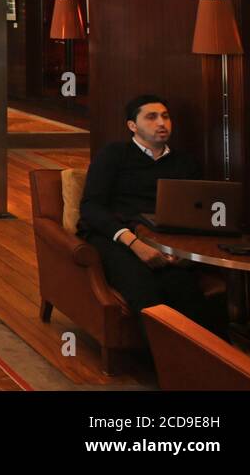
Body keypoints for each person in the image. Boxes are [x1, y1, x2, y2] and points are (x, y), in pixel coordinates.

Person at [77, 94, 223, 333]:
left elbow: (198, 214)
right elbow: (91, 207)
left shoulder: (185, 163)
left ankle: (213, 365)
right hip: (116, 237)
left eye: (165, 117)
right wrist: (134, 243)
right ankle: (166, 365)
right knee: (144, 290)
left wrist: (183, 254)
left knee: (185, 289)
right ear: (132, 126)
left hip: (164, 241)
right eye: (151, 117)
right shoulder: (113, 154)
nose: (161, 123)